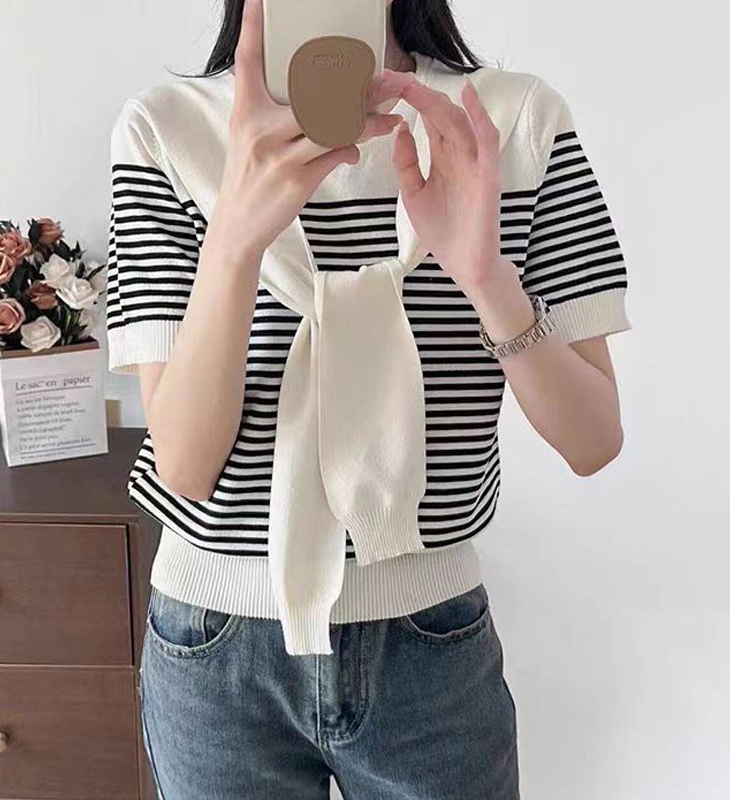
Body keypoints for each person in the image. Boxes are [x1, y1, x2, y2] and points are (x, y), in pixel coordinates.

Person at [105, 0, 632, 796]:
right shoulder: (166, 129)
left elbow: (593, 440)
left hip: (430, 639)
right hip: (215, 648)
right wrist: (235, 238)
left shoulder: (510, 122)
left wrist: (486, 279)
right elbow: (184, 466)